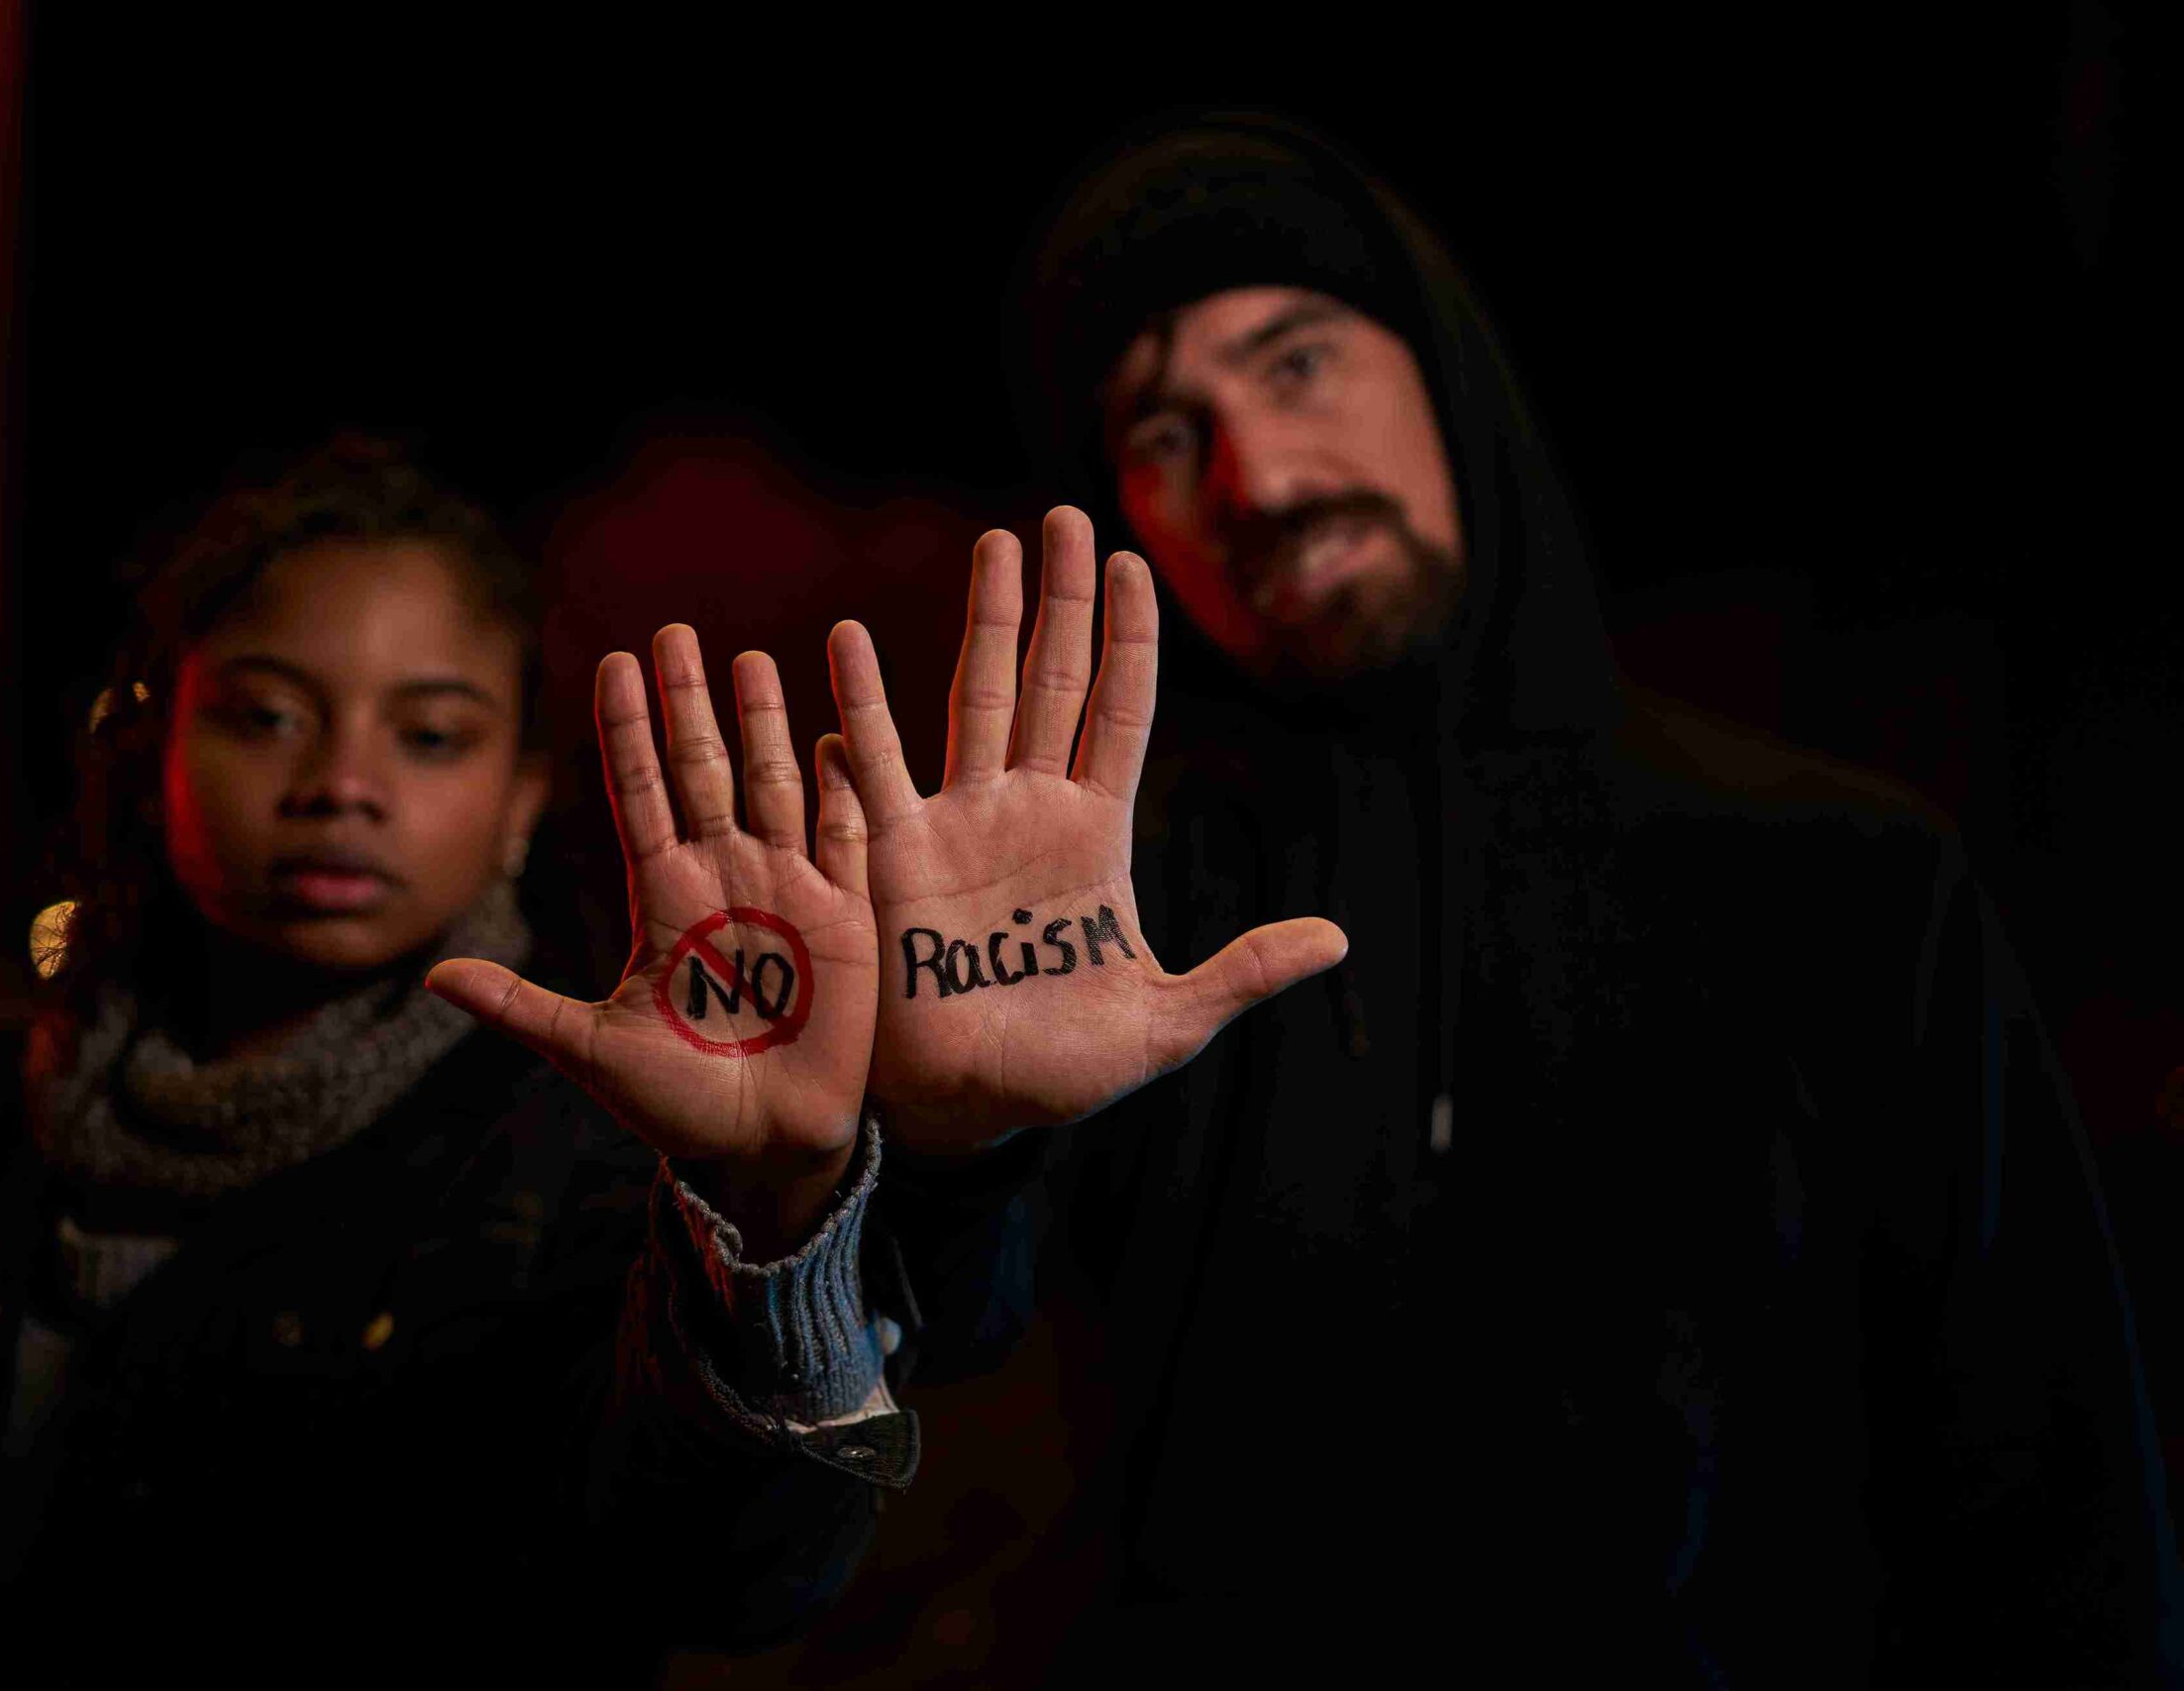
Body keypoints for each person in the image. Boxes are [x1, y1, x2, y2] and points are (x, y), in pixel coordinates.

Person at [613, 114, 2178, 1682]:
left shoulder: (1845, 879)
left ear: (1449, 373)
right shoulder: (1107, 940)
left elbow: (2045, 1501)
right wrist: (933, 1164)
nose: (1260, 476)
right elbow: (790, 1549)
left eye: (1295, 363)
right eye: (1162, 430)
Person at [0, 439, 1014, 1686]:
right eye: (267, 715)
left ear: (520, 797)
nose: (341, 783)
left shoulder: (592, 1154)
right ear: (153, 746)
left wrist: (777, 1212)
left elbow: (733, 1577)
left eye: (431, 734)